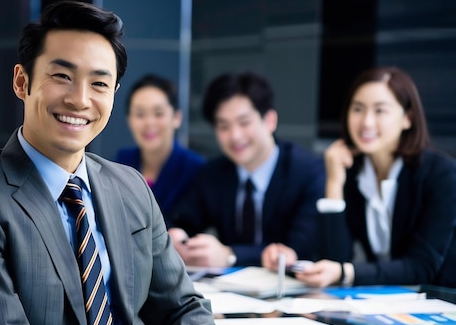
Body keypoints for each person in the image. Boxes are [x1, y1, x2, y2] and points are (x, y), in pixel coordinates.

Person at [0, 1, 219, 325]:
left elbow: (184, 310)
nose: (80, 100)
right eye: (62, 76)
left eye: (99, 84)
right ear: (22, 81)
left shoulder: (131, 187)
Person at [295, 66, 456, 288]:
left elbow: (422, 267)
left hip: (441, 304)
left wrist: (346, 272)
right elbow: (333, 262)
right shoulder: (351, 172)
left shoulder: (440, 174)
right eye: (358, 109)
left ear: (407, 118)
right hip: (383, 303)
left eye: (380, 111)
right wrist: (334, 183)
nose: (366, 122)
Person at [169, 71, 324, 268]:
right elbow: (181, 219)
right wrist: (178, 236)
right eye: (223, 126)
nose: (235, 136)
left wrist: (230, 256)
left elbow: (300, 248)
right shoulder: (214, 173)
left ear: (270, 120)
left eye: (244, 123)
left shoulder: (306, 171)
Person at [115, 74, 205, 221]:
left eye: (158, 113)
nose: (149, 122)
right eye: (140, 114)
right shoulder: (121, 163)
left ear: (176, 118)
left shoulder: (196, 170)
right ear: (129, 120)